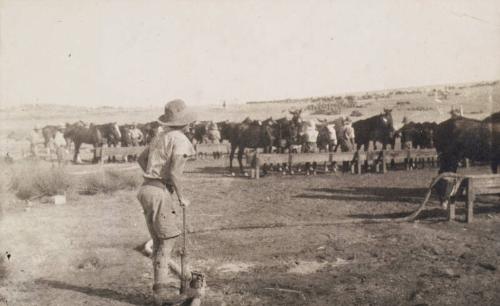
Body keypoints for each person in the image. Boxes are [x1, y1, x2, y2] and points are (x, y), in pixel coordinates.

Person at [137, 99, 197, 305]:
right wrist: (181, 196)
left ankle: (161, 293)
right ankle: (160, 298)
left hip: (146, 189)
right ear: (185, 123)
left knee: (159, 244)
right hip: (159, 193)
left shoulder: (159, 137)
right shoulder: (180, 140)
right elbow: (174, 172)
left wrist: (155, 175)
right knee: (165, 245)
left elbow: (141, 159)